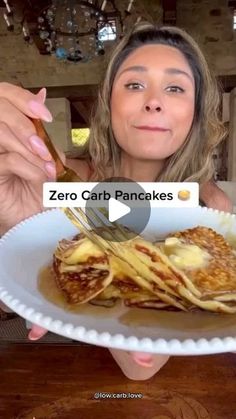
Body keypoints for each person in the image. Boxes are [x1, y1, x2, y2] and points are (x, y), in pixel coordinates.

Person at [0, 21, 233, 380]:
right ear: (109, 102)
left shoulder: (210, 214)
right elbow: (8, 301)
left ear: (197, 112)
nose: (153, 102)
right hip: (40, 374)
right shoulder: (52, 181)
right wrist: (15, 234)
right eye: (135, 84)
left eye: (174, 87)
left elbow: (140, 369)